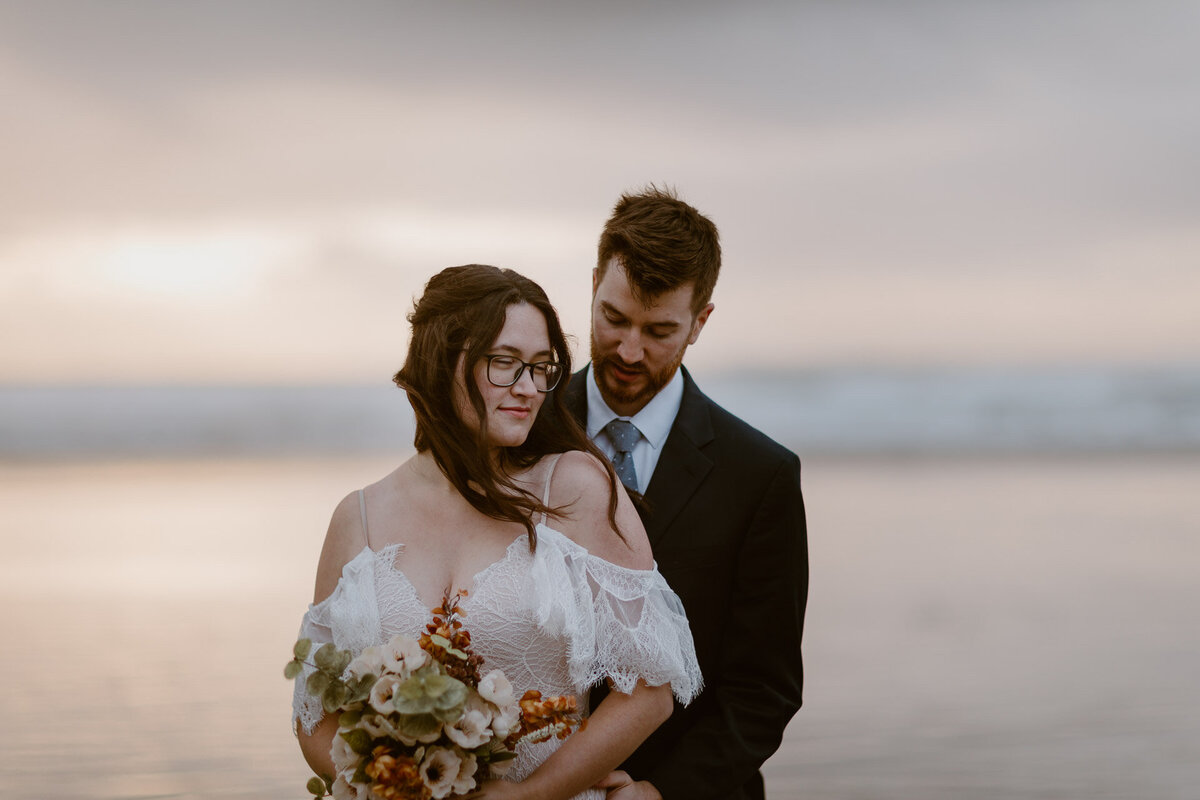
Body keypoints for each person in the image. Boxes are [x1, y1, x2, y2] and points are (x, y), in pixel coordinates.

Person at [292, 265, 702, 800]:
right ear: (442, 362)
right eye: (506, 364)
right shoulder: (359, 517)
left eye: (541, 367)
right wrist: (385, 787)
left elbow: (649, 691)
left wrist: (530, 795)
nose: (529, 388)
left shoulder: (575, 487)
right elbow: (314, 710)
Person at [565, 188, 808, 800]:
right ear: (593, 283)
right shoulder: (520, 436)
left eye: (660, 330)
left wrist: (662, 793)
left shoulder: (761, 476)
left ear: (701, 322)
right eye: (613, 318)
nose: (628, 350)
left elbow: (763, 689)